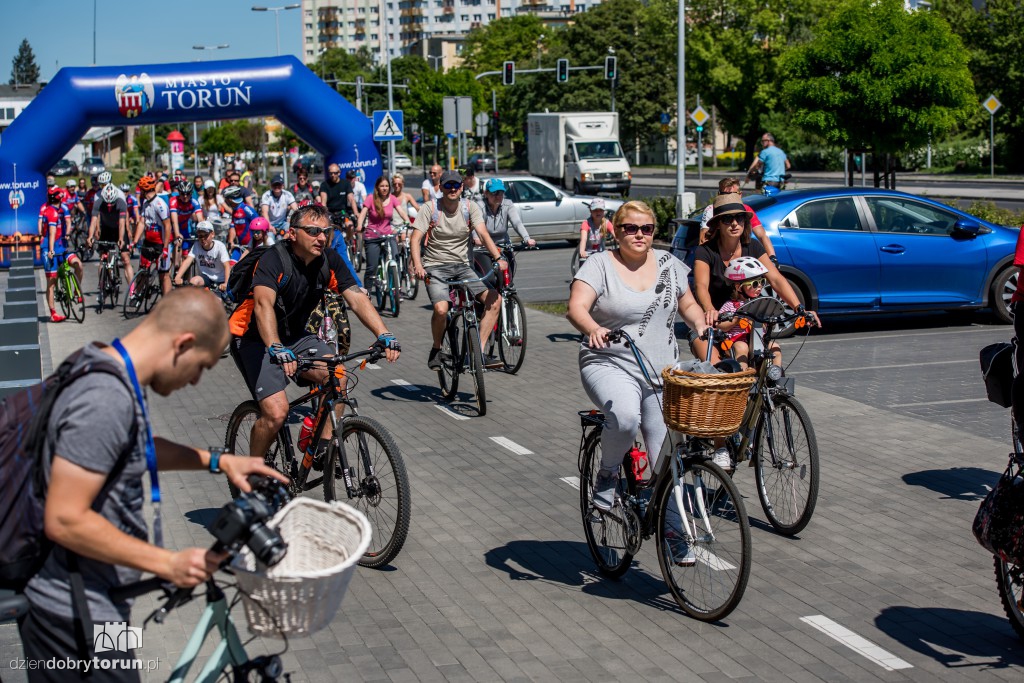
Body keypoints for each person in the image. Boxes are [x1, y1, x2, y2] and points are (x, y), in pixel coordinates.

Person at [19, 289, 285, 682]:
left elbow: (133, 448)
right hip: (74, 619)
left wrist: (218, 460)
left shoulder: (104, 367)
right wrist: (168, 563)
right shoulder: (104, 398)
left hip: (102, 600)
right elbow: (64, 518)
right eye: (200, 366)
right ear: (183, 344)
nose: (195, 381)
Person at [566, 200, 707, 562]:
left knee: (668, 455)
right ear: (616, 230)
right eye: (631, 228)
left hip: (662, 371)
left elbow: (687, 304)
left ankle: (674, 532)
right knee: (626, 419)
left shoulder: (669, 265)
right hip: (609, 362)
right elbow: (576, 306)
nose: (639, 235)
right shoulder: (599, 264)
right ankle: (608, 475)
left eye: (646, 228)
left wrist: (700, 323)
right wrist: (593, 328)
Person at [227, 203, 401, 461]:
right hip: (253, 338)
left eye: (325, 231)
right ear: (292, 233)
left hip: (296, 335)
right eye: (312, 231)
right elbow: (264, 305)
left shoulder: (328, 259)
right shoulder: (273, 259)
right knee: (276, 413)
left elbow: (355, 297)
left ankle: (321, 447)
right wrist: (275, 346)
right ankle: (250, 471)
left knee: (338, 378)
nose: (321, 237)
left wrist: (384, 333)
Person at [410, 169, 505, 369]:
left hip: (463, 266)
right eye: (448, 185)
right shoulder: (430, 208)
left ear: (461, 187)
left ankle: (477, 352)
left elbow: (483, 233)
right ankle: (437, 349)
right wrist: (418, 265)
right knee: (441, 309)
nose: (452, 189)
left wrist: (498, 257)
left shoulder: (469, 207)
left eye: (456, 185)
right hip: (435, 266)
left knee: (495, 300)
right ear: (441, 188)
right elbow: (416, 239)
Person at [715, 256, 779, 369]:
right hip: (737, 341)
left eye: (762, 282)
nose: (759, 286)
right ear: (739, 287)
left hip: (758, 341)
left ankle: (776, 377)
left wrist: (768, 323)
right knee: (742, 348)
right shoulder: (730, 305)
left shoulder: (760, 304)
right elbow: (720, 325)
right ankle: (744, 376)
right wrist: (735, 321)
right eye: (754, 284)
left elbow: (764, 324)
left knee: (775, 348)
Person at [698, 177, 778, 263]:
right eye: (725, 194)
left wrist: (772, 257)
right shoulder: (711, 209)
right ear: (719, 195)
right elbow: (703, 239)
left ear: (740, 195)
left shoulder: (746, 209)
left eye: (734, 194)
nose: (729, 198)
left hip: (742, 259)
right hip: (718, 256)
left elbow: (762, 235)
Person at [357, 175, 411, 292]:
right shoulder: (371, 198)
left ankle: (395, 287)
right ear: (377, 187)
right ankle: (367, 292)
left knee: (395, 260)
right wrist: (359, 225)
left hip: (388, 235)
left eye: (386, 186)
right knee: (372, 267)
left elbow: (401, 211)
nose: (384, 188)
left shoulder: (392, 198)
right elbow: (363, 214)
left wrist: (407, 222)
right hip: (372, 236)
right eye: (382, 186)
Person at [474, 177, 535, 276]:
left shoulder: (508, 204)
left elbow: (517, 223)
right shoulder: (479, 206)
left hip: (503, 246)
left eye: (501, 193)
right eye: (494, 193)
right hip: (483, 248)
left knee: (509, 276)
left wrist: (527, 238)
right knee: (490, 279)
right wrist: (476, 238)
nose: (498, 196)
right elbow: (475, 225)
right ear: (486, 193)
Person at [39, 186, 82, 322]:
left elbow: (68, 222)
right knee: (51, 282)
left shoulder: (62, 209)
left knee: (78, 264)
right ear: (60, 198)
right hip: (49, 248)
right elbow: (51, 233)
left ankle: (76, 290)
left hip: (62, 246)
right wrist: (50, 250)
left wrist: (67, 234)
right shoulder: (51, 212)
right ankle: (53, 313)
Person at [87, 184, 132, 302]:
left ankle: (133, 291)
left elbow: (122, 223)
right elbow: (93, 221)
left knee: (125, 258)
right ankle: (102, 288)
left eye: (111, 203)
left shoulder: (121, 202)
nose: (109, 205)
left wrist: (121, 238)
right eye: (107, 203)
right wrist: (90, 237)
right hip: (106, 229)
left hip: (118, 229)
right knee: (103, 258)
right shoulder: (98, 203)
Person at [131, 175, 174, 295]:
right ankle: (137, 294)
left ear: (144, 191)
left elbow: (167, 226)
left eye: (141, 190)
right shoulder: (146, 202)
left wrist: (165, 248)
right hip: (149, 240)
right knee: (142, 268)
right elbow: (141, 223)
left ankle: (167, 302)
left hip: (161, 242)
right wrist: (134, 242)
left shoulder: (159, 204)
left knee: (164, 274)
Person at [174, 220, 231, 291]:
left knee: (218, 300)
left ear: (212, 234)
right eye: (200, 236)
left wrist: (226, 283)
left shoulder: (220, 246)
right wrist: (178, 276)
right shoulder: (196, 245)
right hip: (206, 277)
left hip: (221, 279)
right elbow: (187, 261)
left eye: (206, 235)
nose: (203, 239)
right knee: (193, 281)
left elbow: (227, 265)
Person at [224, 185, 260, 260]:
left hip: (251, 247)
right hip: (240, 246)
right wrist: (231, 242)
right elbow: (233, 227)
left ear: (230, 199)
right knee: (232, 265)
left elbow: (258, 224)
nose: (225, 201)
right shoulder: (234, 210)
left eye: (226, 199)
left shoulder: (246, 209)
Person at [170, 180, 204, 256]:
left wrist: (202, 234)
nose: (185, 196)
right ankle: (175, 266)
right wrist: (177, 234)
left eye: (188, 194)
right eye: (182, 194)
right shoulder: (174, 201)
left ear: (191, 193)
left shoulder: (194, 202)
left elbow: (200, 219)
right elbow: (174, 221)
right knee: (173, 256)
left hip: (184, 229)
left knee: (186, 255)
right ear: (179, 193)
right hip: (172, 229)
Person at [260, 173, 297, 240]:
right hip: (270, 223)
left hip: (283, 223)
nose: (277, 187)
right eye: (275, 185)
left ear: (282, 186)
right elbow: (264, 212)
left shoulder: (287, 194)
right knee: (269, 241)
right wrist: (269, 226)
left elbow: (295, 209)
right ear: (271, 186)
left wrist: (292, 220)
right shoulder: (267, 195)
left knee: (290, 232)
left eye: (279, 185)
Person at [577, 198, 613, 263]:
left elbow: (616, 235)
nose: (598, 212)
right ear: (591, 211)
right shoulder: (586, 223)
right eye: (595, 210)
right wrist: (582, 251)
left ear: (604, 211)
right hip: (588, 253)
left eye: (601, 210)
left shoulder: (606, 223)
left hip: (601, 253)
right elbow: (583, 239)